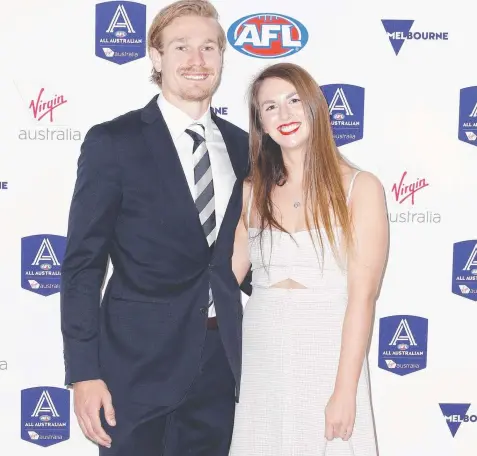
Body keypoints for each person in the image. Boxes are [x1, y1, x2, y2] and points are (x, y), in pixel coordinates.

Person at [60, 1, 250, 455]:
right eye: (180, 46)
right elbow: (83, 265)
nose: (196, 60)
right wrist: (84, 373)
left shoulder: (245, 147)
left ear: (223, 58)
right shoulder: (114, 142)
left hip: (220, 369)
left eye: (209, 47)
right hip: (132, 372)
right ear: (156, 56)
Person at [229, 62, 388, 455]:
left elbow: (362, 298)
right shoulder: (251, 192)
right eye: (269, 107)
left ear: (314, 107)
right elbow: (224, 278)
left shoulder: (359, 187)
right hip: (262, 350)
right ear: (260, 123)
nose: (283, 115)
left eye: (293, 100)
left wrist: (345, 390)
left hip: (326, 348)